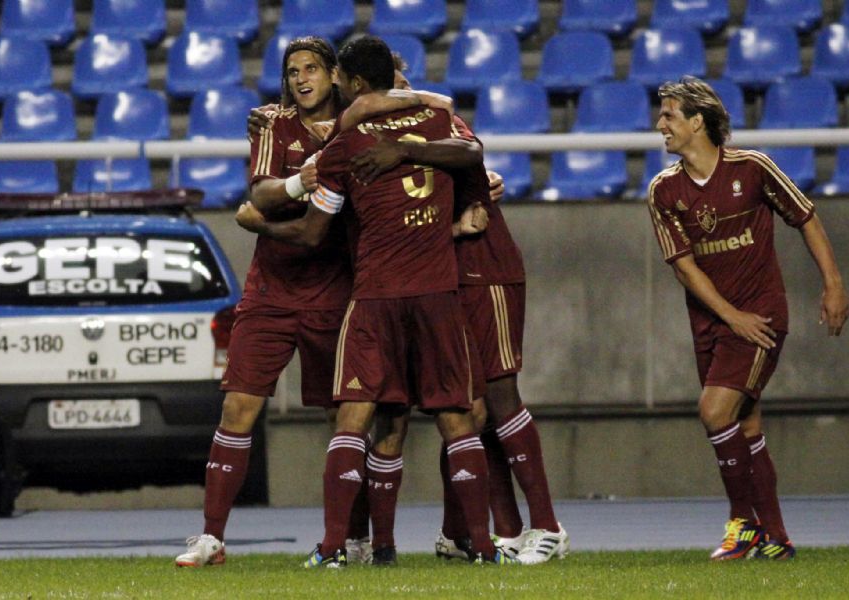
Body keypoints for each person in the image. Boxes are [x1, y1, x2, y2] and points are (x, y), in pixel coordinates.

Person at [236, 35, 518, 568]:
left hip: (374, 300)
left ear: (354, 82)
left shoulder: (344, 145)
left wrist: (260, 226)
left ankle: (334, 549)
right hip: (438, 296)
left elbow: (316, 232)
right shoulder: (439, 128)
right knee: (458, 417)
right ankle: (483, 547)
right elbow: (474, 156)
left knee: (354, 420)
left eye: (337, 75)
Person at [341, 63, 568, 565]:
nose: (397, 98)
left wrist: (423, 155)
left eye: (403, 87)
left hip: (483, 269)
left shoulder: (436, 123)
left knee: (501, 393)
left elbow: (472, 157)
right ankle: (495, 533)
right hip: (436, 282)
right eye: (388, 89)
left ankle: (547, 526)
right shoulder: (363, 140)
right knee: (468, 410)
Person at [175, 36, 374, 567]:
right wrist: (296, 183)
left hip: (336, 290)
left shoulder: (359, 127)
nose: (301, 78)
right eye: (292, 71)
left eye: (311, 68)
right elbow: (260, 190)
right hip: (270, 290)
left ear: (334, 75)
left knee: (345, 419)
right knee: (238, 405)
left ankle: (354, 539)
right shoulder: (273, 124)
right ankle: (211, 538)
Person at [647, 77, 849, 561]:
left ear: (698, 121)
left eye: (670, 116)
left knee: (714, 411)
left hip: (760, 317)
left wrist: (834, 284)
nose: (660, 125)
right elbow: (684, 267)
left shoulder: (753, 168)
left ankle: (744, 525)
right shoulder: (663, 190)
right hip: (714, 323)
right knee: (746, 423)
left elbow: (805, 218)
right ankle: (776, 536)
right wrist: (726, 316)